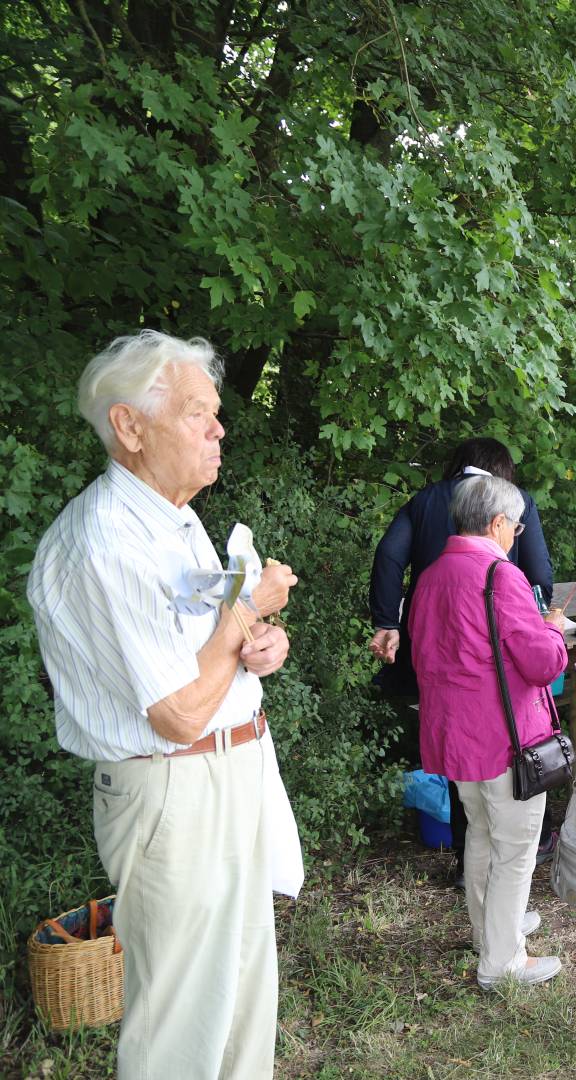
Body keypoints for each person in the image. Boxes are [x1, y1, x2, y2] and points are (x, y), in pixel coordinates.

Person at [29, 330, 300, 1077]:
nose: (219, 430)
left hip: (225, 773)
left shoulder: (173, 521)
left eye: (215, 414)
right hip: (174, 783)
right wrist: (249, 609)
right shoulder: (106, 540)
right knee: (182, 1017)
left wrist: (258, 647)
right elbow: (177, 711)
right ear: (129, 426)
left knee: (244, 991)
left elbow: (204, 653)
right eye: (196, 414)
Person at [368, 437, 555, 881]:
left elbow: (389, 555)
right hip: (499, 656)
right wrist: (544, 623)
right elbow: (540, 576)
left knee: (460, 756)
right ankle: (509, 867)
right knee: (506, 758)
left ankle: (464, 855)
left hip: (432, 644)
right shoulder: (515, 505)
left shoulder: (427, 499)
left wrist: (387, 620)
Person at [408, 475, 570, 988]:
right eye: (516, 526)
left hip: (454, 734)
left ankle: (490, 933)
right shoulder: (501, 575)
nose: (517, 535)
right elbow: (543, 662)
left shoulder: (431, 574)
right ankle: (503, 963)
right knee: (516, 848)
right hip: (504, 737)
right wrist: (554, 628)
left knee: (480, 834)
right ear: (498, 523)